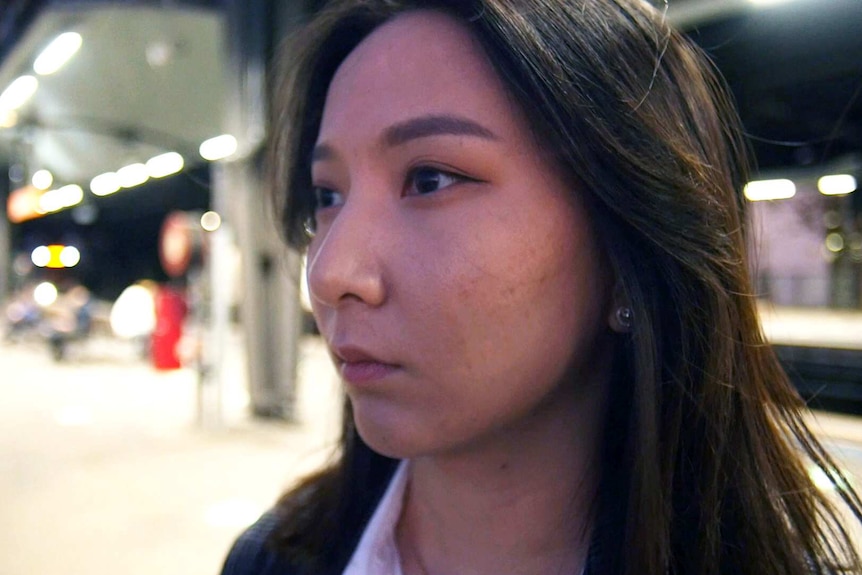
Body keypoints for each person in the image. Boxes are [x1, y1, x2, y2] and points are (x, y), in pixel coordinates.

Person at [222, 1, 862, 574]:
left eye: (431, 179)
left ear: (628, 242)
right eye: (328, 196)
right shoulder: (272, 558)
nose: (331, 274)